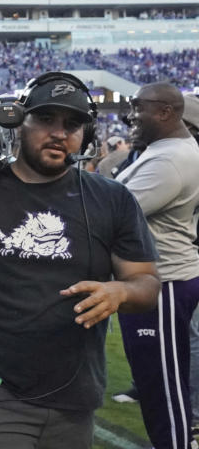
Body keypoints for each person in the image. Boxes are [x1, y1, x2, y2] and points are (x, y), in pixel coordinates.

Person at [0, 71, 161, 448]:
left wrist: (119, 292)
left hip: (74, 393)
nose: (60, 132)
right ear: (19, 123)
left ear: (87, 134)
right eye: (46, 119)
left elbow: (146, 283)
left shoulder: (113, 199)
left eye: (73, 124)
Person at [116, 82, 199, 449]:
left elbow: (115, 213)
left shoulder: (169, 159)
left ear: (165, 112)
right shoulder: (166, 151)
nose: (132, 115)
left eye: (139, 107)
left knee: (163, 385)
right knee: (157, 380)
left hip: (161, 283)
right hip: (154, 279)